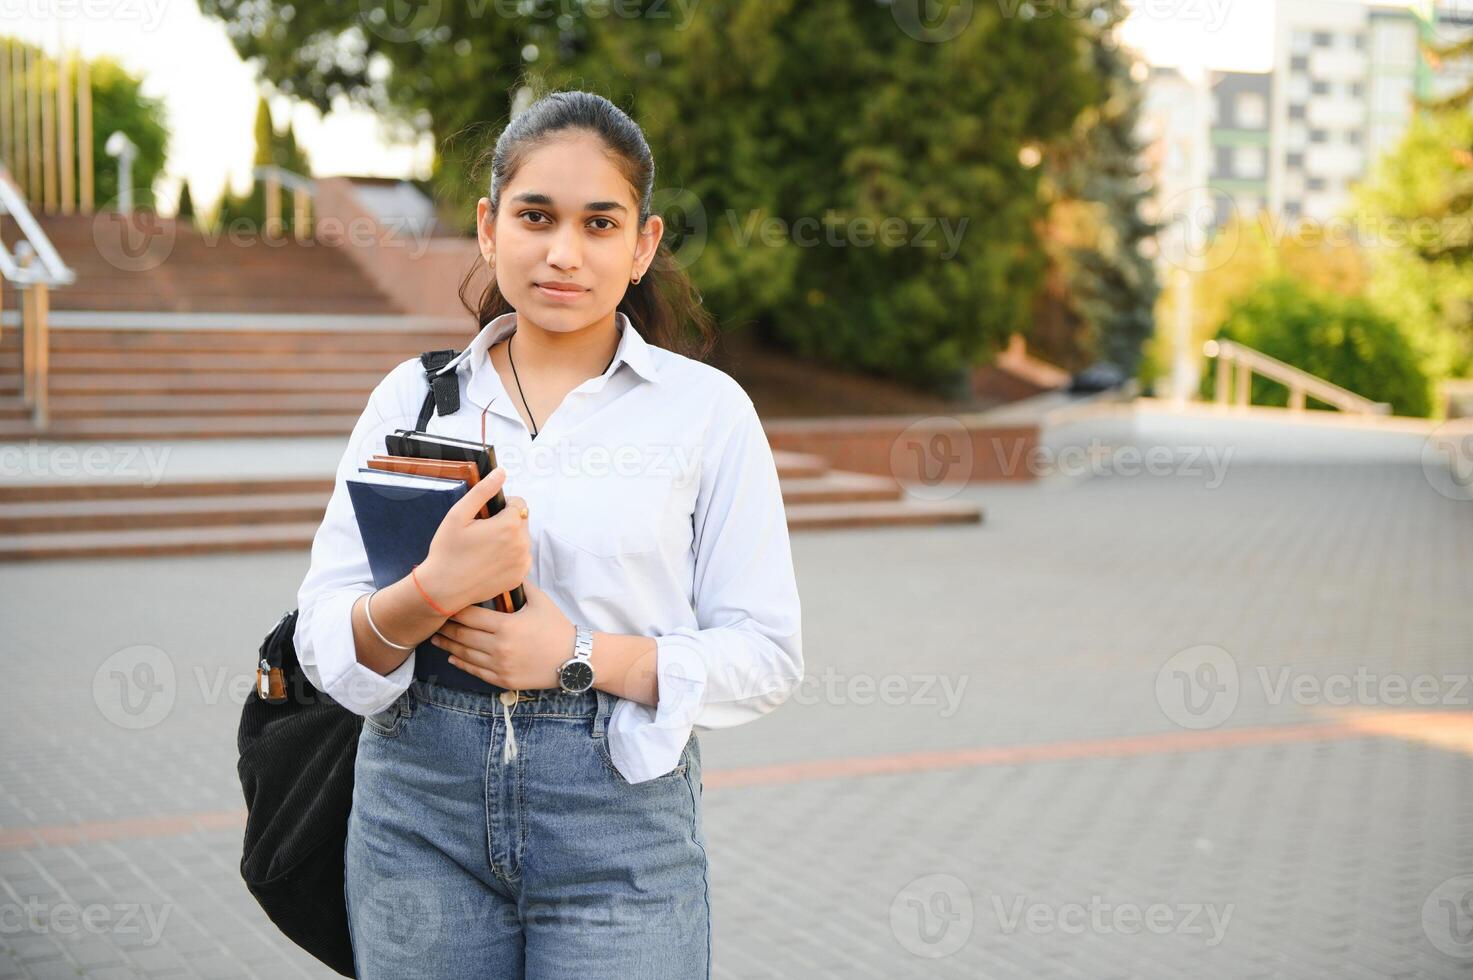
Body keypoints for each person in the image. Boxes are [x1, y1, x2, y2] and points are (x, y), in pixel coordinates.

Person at [292, 88, 804, 978]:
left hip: (617, 824)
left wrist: (575, 653)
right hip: (416, 813)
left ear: (641, 246)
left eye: (600, 224)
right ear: (490, 228)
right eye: (536, 216)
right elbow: (321, 638)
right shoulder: (410, 399)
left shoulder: (705, 414)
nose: (564, 252)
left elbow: (765, 655)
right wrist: (427, 593)